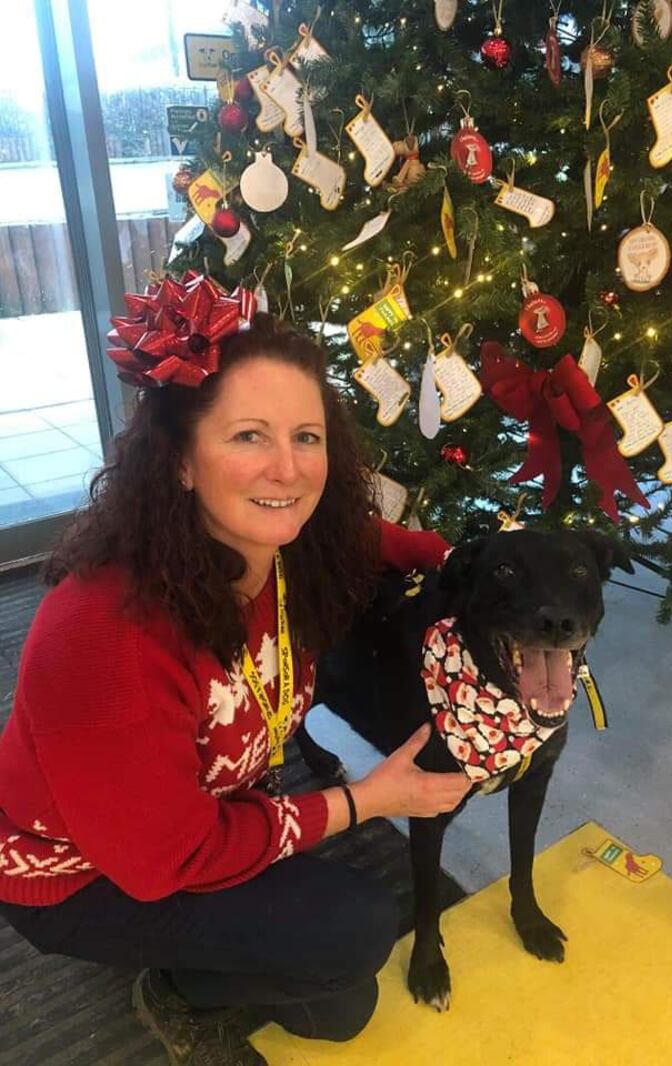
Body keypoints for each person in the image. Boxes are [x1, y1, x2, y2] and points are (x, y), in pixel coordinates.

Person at [0, 279, 472, 1066]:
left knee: (336, 1009)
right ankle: (173, 990)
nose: (287, 469)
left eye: (308, 437)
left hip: (204, 809)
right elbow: (165, 864)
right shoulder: (105, 631)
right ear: (180, 462)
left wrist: (473, 565)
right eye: (249, 436)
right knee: (352, 932)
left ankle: (220, 946)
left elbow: (370, 539)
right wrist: (366, 800)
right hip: (83, 870)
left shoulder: (286, 544)